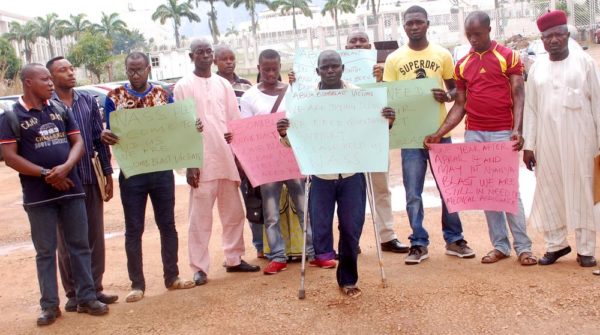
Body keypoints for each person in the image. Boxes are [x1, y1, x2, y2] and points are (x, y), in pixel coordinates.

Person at [277, 50, 396, 297]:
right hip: (321, 175)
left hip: (352, 174)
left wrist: (388, 120)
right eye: (325, 67)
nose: (330, 71)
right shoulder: (305, 101)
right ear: (317, 71)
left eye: (334, 66)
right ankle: (325, 258)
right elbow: (292, 142)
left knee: (352, 227)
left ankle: (348, 279)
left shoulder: (359, 96)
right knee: (320, 227)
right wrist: (284, 133)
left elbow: (376, 128)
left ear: (342, 68)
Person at [424, 11, 536, 266]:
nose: (473, 39)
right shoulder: (463, 63)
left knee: (508, 191)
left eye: (478, 34)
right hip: (475, 133)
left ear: (489, 30)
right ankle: (500, 246)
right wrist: (439, 134)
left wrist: (517, 129)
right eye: (469, 35)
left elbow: (519, 94)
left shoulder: (508, 56)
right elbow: (460, 105)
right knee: (487, 191)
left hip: (502, 132)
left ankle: (524, 247)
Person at [0, 63, 108, 326]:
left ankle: (86, 297)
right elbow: (9, 157)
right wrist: (46, 173)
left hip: (71, 190)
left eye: (51, 79)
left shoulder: (60, 109)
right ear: (28, 83)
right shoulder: (12, 117)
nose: (50, 84)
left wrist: (66, 168)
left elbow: (79, 142)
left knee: (80, 245)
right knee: (46, 251)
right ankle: (49, 306)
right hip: (39, 196)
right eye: (44, 79)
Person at [287, 31, 409, 255]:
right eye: (353, 41)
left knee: (375, 194)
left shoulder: (373, 74)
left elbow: (382, 109)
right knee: (334, 208)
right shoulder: (312, 91)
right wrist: (294, 86)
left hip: (362, 149)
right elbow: (298, 120)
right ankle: (341, 245)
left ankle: (382, 236)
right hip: (330, 158)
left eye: (362, 40)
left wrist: (385, 111)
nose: (358, 44)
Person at [101, 52, 195, 303]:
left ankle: (172, 277)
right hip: (132, 173)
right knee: (134, 229)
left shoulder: (164, 95)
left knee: (167, 225)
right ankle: (137, 284)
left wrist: (192, 128)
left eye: (140, 69)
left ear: (148, 70)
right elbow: (110, 130)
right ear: (125, 70)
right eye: (131, 70)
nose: (135, 75)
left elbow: (178, 125)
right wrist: (106, 135)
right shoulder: (114, 98)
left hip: (161, 170)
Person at [384, 5, 475, 264]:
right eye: (409, 23)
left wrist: (447, 95)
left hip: (438, 133)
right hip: (410, 136)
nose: (414, 27)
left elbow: (457, 92)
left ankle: (454, 239)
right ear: (404, 26)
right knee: (413, 192)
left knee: (448, 188)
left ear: (427, 23)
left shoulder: (442, 54)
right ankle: (418, 242)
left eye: (418, 22)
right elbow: (391, 96)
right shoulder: (394, 59)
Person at [173, 38, 260, 286]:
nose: (205, 56)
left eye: (208, 51)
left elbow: (235, 122)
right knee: (199, 219)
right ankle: (199, 268)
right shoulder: (183, 86)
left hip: (226, 158)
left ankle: (234, 258)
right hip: (201, 162)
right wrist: (190, 164)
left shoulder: (223, 84)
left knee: (233, 213)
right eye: (199, 52)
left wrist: (240, 158)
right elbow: (181, 128)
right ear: (191, 56)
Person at [523, 10, 600, 268]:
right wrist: (529, 146)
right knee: (550, 189)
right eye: (548, 37)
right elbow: (531, 109)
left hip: (582, 140)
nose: (553, 40)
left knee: (584, 189)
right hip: (548, 142)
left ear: (567, 34)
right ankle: (556, 245)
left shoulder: (585, 63)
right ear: (542, 41)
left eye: (558, 34)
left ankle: (586, 249)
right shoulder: (537, 70)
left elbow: (598, 106)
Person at [46, 56, 118, 311]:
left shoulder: (88, 100)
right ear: (51, 77)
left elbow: (99, 140)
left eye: (71, 68)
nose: (70, 73)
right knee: (66, 240)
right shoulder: (47, 105)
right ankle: (74, 293)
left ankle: (94, 288)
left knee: (94, 236)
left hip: (89, 176)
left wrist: (108, 174)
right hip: (63, 183)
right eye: (62, 70)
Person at [239, 49, 315, 274]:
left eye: (275, 69)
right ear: (258, 69)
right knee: (271, 214)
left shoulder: (293, 91)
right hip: (267, 165)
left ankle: (313, 252)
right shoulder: (249, 97)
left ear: (280, 67)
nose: (271, 73)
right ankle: (277, 255)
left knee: (304, 208)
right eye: (266, 69)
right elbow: (247, 132)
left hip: (293, 161)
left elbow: (304, 119)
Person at [215, 44, 265, 259]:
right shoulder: (212, 85)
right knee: (229, 208)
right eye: (224, 58)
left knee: (253, 198)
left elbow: (252, 121)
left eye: (232, 58)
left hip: (245, 152)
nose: (229, 62)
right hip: (219, 151)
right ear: (215, 61)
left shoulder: (246, 85)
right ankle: (232, 253)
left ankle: (261, 245)